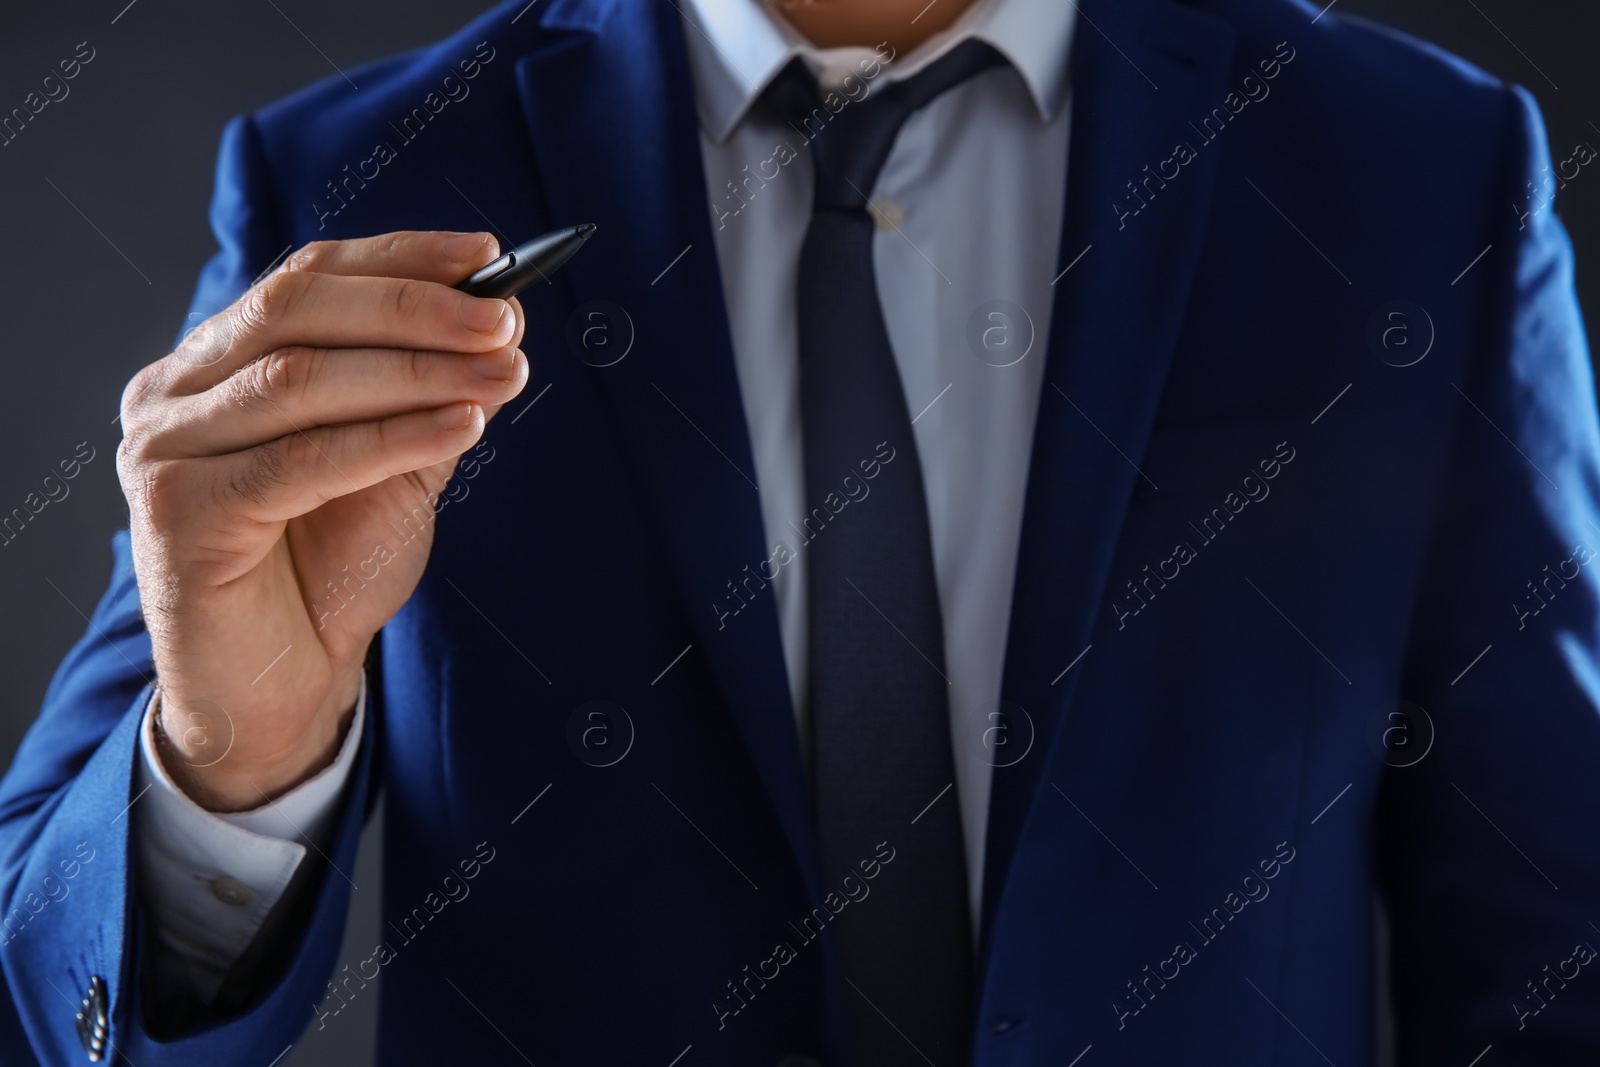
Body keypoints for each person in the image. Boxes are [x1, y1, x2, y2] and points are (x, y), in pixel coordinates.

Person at [3, 0, 1598, 1062]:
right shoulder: (359, 182)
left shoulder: (1417, 174)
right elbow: (41, 989)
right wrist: (236, 759)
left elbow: (1556, 933)